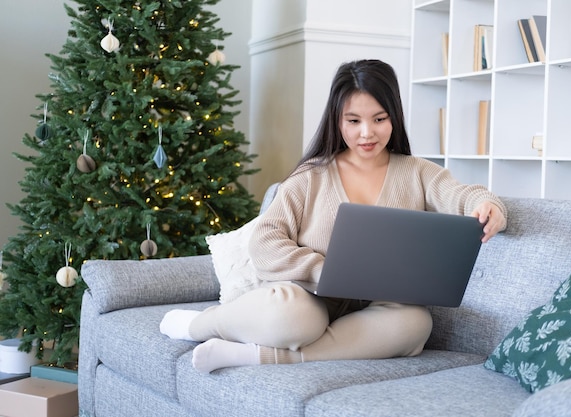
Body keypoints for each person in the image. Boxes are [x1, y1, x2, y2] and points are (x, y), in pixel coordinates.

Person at [160, 59, 507, 373]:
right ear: (337, 120)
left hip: (379, 308)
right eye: (353, 121)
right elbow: (265, 241)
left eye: (379, 119)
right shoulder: (311, 176)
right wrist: (320, 270)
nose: (366, 133)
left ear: (394, 117)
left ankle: (258, 355)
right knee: (293, 318)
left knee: (416, 323)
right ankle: (201, 324)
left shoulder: (418, 172)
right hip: (307, 298)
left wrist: (489, 205)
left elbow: (462, 195)